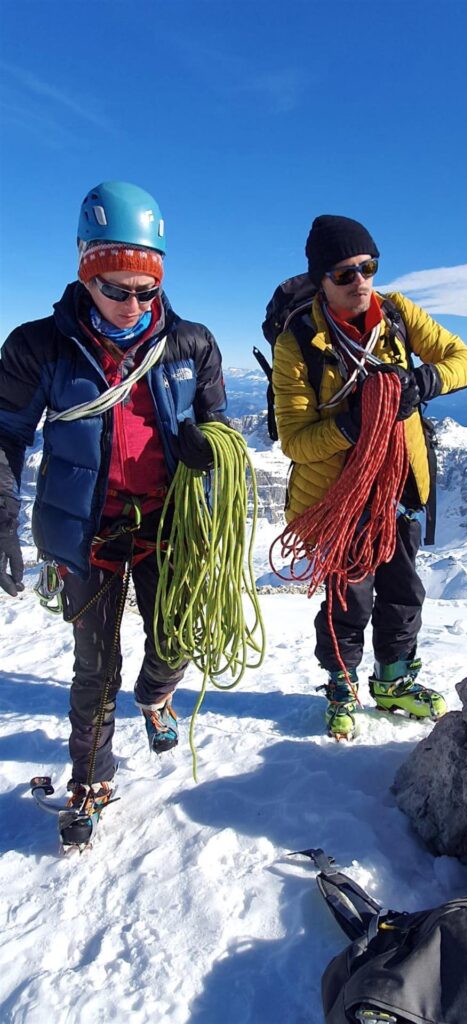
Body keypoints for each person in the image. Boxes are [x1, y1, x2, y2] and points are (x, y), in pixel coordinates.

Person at [0, 180, 228, 819]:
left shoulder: (192, 344)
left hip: (168, 522)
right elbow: (6, 434)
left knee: (176, 637)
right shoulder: (39, 346)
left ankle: (156, 695)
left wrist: (205, 448)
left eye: (146, 288)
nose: (133, 302)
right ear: (85, 271)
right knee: (94, 666)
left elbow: (218, 423)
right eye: (115, 286)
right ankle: (93, 778)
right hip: (88, 531)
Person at [272, 215, 467, 740]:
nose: (360, 281)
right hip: (343, 494)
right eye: (344, 274)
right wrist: (350, 423)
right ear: (321, 280)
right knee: (351, 594)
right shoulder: (299, 342)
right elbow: (295, 439)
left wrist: (423, 379)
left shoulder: (398, 313)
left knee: (404, 588)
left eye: (368, 267)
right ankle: (341, 686)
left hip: (402, 481)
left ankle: (392, 679)